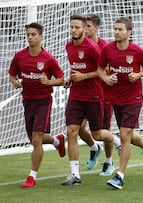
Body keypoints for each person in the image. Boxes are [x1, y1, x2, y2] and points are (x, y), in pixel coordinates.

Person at [61, 14, 121, 186]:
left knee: (97, 133)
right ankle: (74, 174)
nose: (75, 30)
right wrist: (70, 79)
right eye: (72, 27)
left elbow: (104, 70)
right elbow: (76, 69)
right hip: (76, 96)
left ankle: (116, 141)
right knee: (72, 132)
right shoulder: (68, 46)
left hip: (94, 96)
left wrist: (84, 76)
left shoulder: (93, 48)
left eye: (78, 27)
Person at [98, 17, 143, 190]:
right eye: (115, 29)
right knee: (127, 134)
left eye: (120, 29)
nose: (116, 32)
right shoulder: (108, 50)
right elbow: (100, 70)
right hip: (117, 97)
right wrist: (107, 79)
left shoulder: (137, 51)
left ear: (129, 33)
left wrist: (137, 75)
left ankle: (120, 175)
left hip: (134, 98)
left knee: (124, 134)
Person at [8, 22, 65, 188]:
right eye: (28, 34)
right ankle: (57, 141)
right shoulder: (20, 56)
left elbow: (61, 79)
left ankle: (32, 177)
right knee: (34, 140)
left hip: (43, 101)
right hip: (27, 101)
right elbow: (12, 75)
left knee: (36, 138)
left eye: (33, 34)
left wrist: (48, 82)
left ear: (40, 36)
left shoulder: (48, 59)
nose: (30, 37)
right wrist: (15, 82)